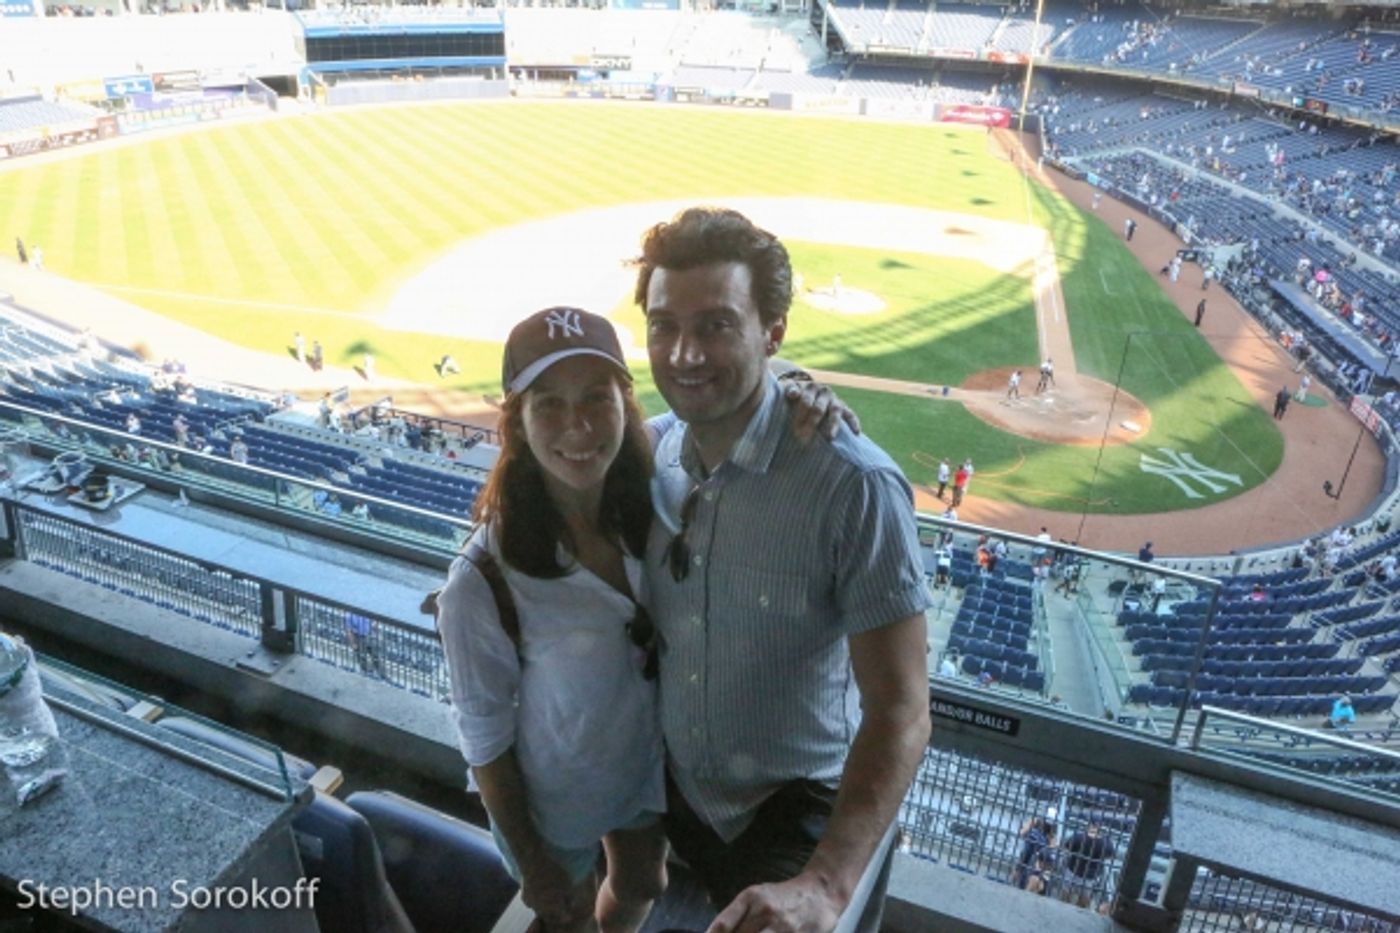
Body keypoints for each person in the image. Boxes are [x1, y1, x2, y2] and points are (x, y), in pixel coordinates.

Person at [637, 207, 931, 932]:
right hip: (669, 789)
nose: (683, 353)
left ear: (773, 331)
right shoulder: (645, 454)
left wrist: (825, 885)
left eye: (715, 325)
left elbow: (901, 709)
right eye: (664, 325)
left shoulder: (853, 486)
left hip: (792, 813)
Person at [436, 307, 669, 933]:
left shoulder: (656, 499)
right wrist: (535, 864)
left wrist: (798, 393)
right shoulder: (480, 581)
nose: (580, 426)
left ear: (626, 403)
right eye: (549, 405)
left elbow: (735, 406)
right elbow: (483, 739)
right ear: (516, 422)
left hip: (643, 769)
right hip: (551, 810)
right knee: (570, 921)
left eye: (597, 397)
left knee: (647, 880)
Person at [1060, 822, 1114, 908]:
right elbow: (1110, 856)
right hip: (1090, 877)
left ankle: (1062, 911)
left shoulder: (1078, 837)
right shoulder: (1106, 843)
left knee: (1064, 900)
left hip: (1073, 871)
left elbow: (1066, 848)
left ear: (1089, 826)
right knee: (1083, 905)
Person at [344, 611, 383, 676]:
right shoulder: (349, 615)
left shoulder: (365, 610)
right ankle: (366, 672)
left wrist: (376, 625)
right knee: (362, 656)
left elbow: (376, 618)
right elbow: (348, 631)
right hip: (358, 636)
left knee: (375, 654)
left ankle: (380, 672)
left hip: (369, 634)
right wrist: (353, 643)